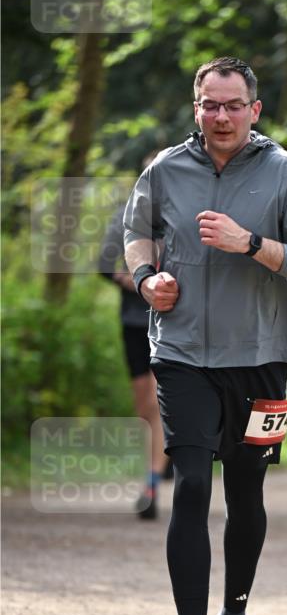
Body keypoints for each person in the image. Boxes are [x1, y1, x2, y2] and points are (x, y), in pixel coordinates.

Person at [123, 56, 287, 615]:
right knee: (190, 482)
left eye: (232, 105)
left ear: (254, 110)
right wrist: (146, 279)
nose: (220, 116)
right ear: (196, 107)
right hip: (182, 353)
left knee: (245, 495)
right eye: (209, 105)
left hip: (263, 358)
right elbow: (136, 236)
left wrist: (252, 244)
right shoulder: (165, 169)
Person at [99, 174, 170, 520]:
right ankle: (163, 457)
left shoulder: (185, 214)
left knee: (159, 401)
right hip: (133, 322)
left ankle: (151, 484)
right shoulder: (124, 218)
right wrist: (131, 280)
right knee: (144, 405)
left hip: (172, 324)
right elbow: (102, 265)